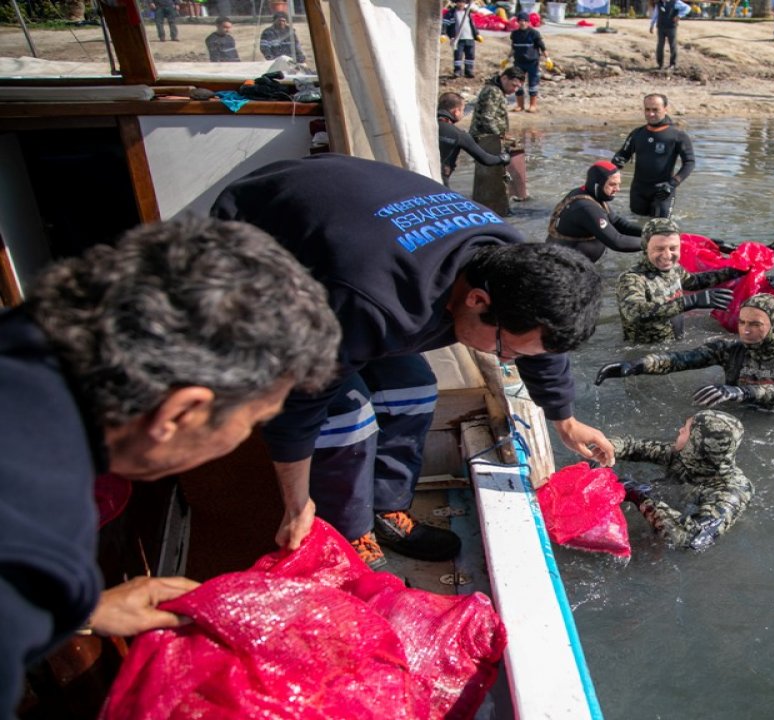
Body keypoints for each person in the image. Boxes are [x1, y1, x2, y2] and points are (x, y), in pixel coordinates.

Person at [0, 216, 341, 719]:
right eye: (254, 421)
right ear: (181, 413)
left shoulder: (24, 340)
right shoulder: (34, 530)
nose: (243, 438)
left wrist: (87, 610)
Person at [211, 154, 614, 570]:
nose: (505, 360)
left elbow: (536, 343)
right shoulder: (373, 300)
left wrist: (564, 420)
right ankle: (347, 536)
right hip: (252, 241)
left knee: (416, 389)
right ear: (477, 301)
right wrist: (296, 506)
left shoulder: (511, 262)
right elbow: (297, 402)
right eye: (503, 350)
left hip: (349, 217)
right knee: (348, 417)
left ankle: (386, 510)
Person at [595, 293, 774, 407]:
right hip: (740, 416)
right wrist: (636, 365)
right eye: (742, 322)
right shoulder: (729, 349)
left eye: (755, 325)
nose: (745, 330)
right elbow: (682, 359)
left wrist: (744, 393)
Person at [611, 410, 752, 552]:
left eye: (686, 430)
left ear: (697, 443)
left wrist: (639, 495)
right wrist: (607, 448)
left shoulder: (732, 492)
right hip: (670, 503)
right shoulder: (684, 455)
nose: (680, 430)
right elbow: (634, 447)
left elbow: (692, 540)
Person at [616, 217, 742, 343]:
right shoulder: (631, 279)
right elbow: (634, 313)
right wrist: (692, 301)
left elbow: (693, 282)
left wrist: (731, 272)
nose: (667, 255)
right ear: (645, 248)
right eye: (659, 249)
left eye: (673, 248)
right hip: (645, 353)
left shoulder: (674, 268)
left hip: (675, 345)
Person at [611, 93, 696, 219]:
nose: (650, 114)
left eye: (655, 110)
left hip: (664, 191)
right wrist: (617, 161)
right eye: (647, 109)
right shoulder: (637, 133)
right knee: (636, 226)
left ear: (666, 109)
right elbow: (623, 154)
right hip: (638, 191)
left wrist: (673, 183)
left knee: (661, 229)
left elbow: (689, 162)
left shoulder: (677, 135)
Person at [547, 160, 646, 262]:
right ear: (597, 184)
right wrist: (652, 243)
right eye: (612, 184)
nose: (618, 189)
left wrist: (650, 232)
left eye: (618, 184)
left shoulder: (591, 194)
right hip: (565, 268)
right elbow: (617, 242)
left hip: (573, 260)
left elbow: (616, 222)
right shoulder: (586, 207)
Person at [437, 91, 511, 187]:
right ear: (456, 111)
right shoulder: (459, 135)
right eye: (463, 110)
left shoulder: (422, 126)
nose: (463, 113)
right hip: (440, 181)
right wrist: (504, 158)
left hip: (419, 176)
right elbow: (486, 159)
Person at [471, 65, 526, 140]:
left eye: (518, 87)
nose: (515, 90)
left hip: (490, 137)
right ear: (504, 78)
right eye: (514, 85)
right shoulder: (493, 91)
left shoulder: (498, 90)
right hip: (483, 138)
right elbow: (487, 118)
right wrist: (500, 136)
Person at [510, 11, 548, 113]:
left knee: (533, 84)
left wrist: (547, 58)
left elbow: (542, 46)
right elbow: (513, 47)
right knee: (517, 84)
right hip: (519, 62)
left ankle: (533, 105)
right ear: (518, 22)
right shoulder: (515, 34)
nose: (523, 23)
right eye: (521, 21)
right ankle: (520, 105)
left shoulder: (534, 33)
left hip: (532, 62)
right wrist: (507, 58)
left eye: (525, 21)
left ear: (528, 22)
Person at [443, 0, 480, 78]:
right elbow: (445, 24)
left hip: (469, 37)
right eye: (459, 2)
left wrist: (477, 34)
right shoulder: (450, 14)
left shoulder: (468, 13)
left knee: (470, 55)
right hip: (457, 39)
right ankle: (457, 71)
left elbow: (472, 24)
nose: (461, 4)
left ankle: (469, 70)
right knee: (458, 55)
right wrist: (443, 34)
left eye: (463, 2)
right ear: (456, 3)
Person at [650, 0, 690, 70]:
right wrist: (652, 24)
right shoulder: (659, 3)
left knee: (672, 45)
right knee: (660, 45)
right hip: (661, 27)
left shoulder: (675, 2)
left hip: (671, 27)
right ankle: (660, 64)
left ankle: (673, 64)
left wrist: (679, 15)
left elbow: (687, 8)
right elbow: (655, 14)